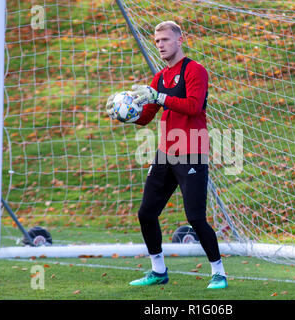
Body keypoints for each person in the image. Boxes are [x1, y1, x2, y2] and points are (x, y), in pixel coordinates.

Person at [112, 21, 227, 289]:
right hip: (166, 153)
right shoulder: (160, 77)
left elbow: (193, 106)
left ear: (179, 40)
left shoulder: (195, 70)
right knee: (146, 213)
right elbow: (148, 117)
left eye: (165, 39)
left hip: (192, 151)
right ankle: (158, 270)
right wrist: (126, 115)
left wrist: (159, 97)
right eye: (157, 41)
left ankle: (218, 272)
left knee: (196, 217)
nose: (160, 45)